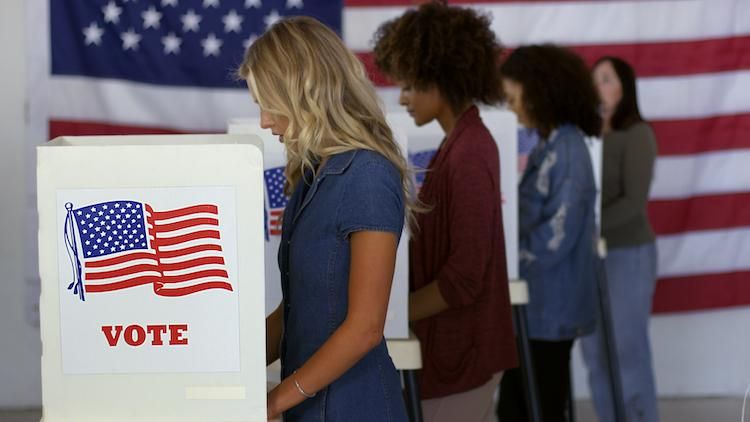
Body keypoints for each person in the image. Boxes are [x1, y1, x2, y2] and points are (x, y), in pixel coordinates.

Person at [238, 16, 413, 421]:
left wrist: (276, 400)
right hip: (311, 405)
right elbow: (292, 312)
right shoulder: (313, 174)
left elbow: (366, 327)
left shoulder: (368, 174)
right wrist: (223, 369)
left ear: (304, 92)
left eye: (269, 104)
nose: (265, 121)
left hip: (355, 407)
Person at [373, 3, 517, 421]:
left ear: (441, 78)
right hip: (455, 351)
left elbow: (465, 277)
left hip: (463, 353)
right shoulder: (461, 143)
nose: (402, 97)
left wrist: (388, 316)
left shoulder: (469, 152)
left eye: (410, 85)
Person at [496, 44, 601, 421]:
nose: (510, 107)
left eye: (513, 97)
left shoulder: (568, 151)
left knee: (538, 407)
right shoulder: (550, 145)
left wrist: (506, 264)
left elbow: (557, 235)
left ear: (539, 91)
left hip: (551, 308)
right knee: (518, 405)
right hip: (537, 304)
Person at [580, 56, 660, 422]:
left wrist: (590, 228)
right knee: (595, 353)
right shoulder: (584, 135)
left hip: (627, 254)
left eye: (607, 78)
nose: (599, 86)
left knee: (628, 349)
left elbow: (634, 201)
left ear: (624, 88)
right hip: (589, 257)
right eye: (595, 79)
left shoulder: (638, 134)